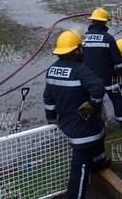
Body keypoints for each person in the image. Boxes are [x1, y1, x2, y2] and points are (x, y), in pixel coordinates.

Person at [43, 28, 109, 199]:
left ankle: (99, 162)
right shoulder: (80, 70)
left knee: (97, 144)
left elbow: (48, 98)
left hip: (68, 127)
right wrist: (93, 104)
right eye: (81, 48)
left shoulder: (51, 70)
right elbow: (98, 86)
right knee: (79, 170)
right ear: (76, 50)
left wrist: (51, 119)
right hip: (85, 131)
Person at [82, 8, 122, 128]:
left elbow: (82, 58)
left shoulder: (84, 37)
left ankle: (96, 124)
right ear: (104, 22)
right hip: (108, 77)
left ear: (92, 22)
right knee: (117, 98)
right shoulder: (108, 38)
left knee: (95, 101)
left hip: (90, 78)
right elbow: (118, 62)